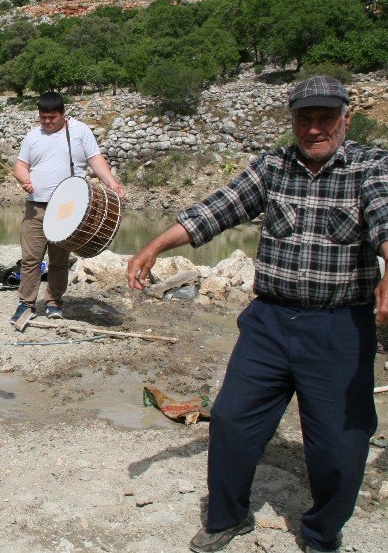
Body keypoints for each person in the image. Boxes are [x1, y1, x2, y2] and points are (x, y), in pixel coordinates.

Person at [126, 76, 388, 553]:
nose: (313, 129)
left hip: (339, 327)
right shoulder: (273, 166)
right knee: (231, 420)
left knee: (339, 448)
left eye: (325, 118)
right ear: (291, 122)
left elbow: (384, 215)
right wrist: (154, 245)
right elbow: (216, 210)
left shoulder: (371, 166)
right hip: (269, 321)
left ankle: (321, 534)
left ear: (345, 118)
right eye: (303, 119)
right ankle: (228, 517)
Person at [11, 91, 125, 323]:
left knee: (59, 259)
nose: (47, 122)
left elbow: (95, 160)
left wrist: (112, 183)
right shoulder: (33, 136)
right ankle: (26, 303)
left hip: (68, 209)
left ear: (63, 114)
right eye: (43, 117)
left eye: (52, 117)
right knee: (31, 258)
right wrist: (25, 180)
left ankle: (54, 302)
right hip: (36, 207)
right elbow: (21, 166)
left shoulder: (80, 131)